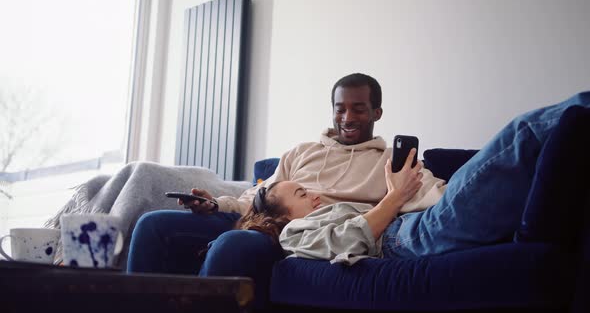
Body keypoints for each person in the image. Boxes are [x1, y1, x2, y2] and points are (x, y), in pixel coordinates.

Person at [127, 73, 444, 274]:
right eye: (340, 108)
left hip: (302, 236)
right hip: (265, 219)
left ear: (377, 113)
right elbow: (257, 198)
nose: (347, 117)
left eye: (359, 108)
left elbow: (439, 198)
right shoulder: (301, 152)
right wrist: (217, 205)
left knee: (233, 245)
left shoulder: (392, 161)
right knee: (152, 224)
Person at [235, 92, 590, 264]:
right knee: (524, 133)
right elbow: (349, 240)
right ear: (282, 218)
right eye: (300, 193)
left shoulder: (379, 160)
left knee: (535, 159)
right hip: (407, 237)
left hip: (415, 223)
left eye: (358, 108)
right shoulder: (295, 235)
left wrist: (405, 192)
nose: (312, 193)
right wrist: (394, 197)